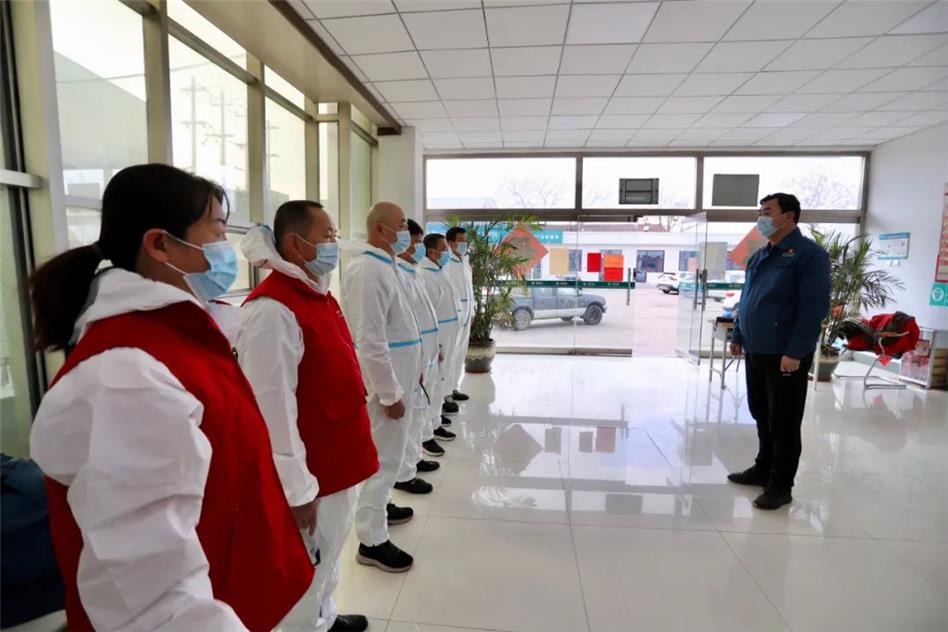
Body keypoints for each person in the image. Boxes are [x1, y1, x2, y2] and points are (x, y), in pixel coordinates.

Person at [28, 164, 313, 631]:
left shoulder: (180, 335)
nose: (226, 250)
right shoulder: (124, 375)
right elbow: (151, 598)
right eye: (217, 233)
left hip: (236, 588)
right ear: (160, 244)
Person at [236, 201, 378, 632]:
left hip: (339, 458)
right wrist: (297, 490)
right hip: (315, 474)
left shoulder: (316, 293)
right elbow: (271, 411)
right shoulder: (272, 310)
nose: (336, 243)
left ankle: (325, 617)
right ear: (297, 245)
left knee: (329, 554)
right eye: (328, 236)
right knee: (306, 568)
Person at [728, 193, 831, 510]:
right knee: (761, 412)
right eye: (760, 212)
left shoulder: (808, 255)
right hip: (756, 349)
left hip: (784, 354)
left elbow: (813, 307)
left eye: (767, 211)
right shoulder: (761, 254)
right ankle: (763, 468)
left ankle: (781, 484)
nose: (761, 218)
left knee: (784, 420)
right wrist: (739, 333)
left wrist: (796, 351)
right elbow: (747, 298)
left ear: (789, 216)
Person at [342, 202, 422, 573]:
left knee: (391, 453)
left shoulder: (387, 266)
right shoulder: (368, 270)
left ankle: (382, 506)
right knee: (383, 457)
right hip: (387, 382)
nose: (406, 233)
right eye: (401, 225)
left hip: (401, 374)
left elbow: (401, 327)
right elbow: (369, 338)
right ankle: (371, 539)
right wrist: (389, 392)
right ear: (380, 229)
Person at [393, 220, 448, 497]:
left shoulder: (412, 272)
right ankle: (403, 473)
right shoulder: (398, 275)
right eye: (415, 241)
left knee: (419, 411)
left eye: (418, 241)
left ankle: (413, 460)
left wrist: (434, 348)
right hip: (408, 357)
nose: (418, 247)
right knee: (408, 417)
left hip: (423, 352)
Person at [418, 232, 464, 458]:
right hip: (437, 338)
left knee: (440, 381)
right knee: (432, 384)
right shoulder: (425, 276)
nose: (448, 252)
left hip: (447, 334)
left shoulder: (438, 271)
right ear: (433, 252)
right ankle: (425, 435)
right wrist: (436, 346)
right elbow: (427, 315)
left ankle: (435, 422)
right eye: (444, 248)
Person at [443, 226, 474, 413]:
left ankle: (453, 387)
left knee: (460, 354)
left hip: (466, 315)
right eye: (460, 240)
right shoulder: (446, 263)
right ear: (450, 242)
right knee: (450, 355)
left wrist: (472, 310)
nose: (464, 244)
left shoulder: (465, 261)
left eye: (465, 240)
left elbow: (469, 288)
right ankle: (444, 394)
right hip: (454, 316)